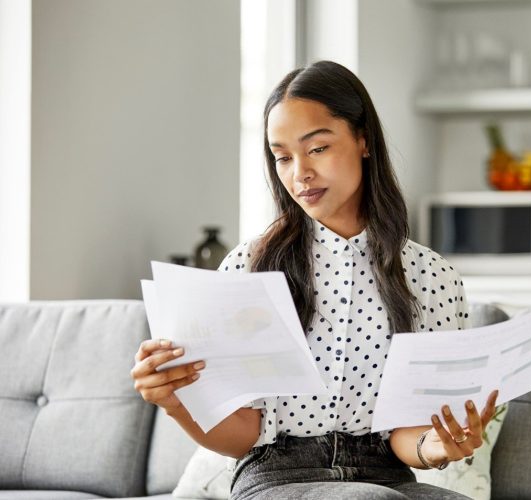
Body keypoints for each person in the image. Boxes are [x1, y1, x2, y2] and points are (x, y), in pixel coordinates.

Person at [131, 60, 500, 500]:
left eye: (318, 148)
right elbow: (244, 433)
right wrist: (174, 403)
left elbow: (406, 435)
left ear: (363, 141)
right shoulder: (249, 266)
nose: (299, 173)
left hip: (386, 477)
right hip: (277, 475)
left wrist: (435, 445)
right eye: (282, 157)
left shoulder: (431, 276)